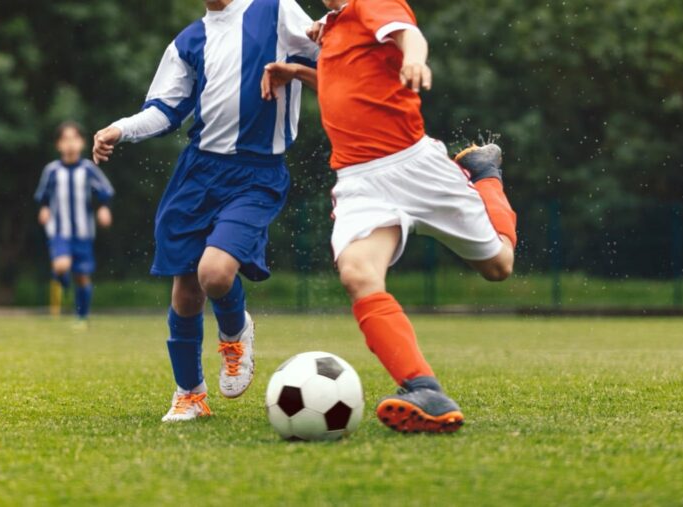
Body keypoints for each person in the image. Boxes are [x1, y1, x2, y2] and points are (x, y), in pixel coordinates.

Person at [262, 0, 518, 433]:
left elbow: (409, 36)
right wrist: (299, 74)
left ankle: (484, 174)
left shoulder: (370, 2)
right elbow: (346, 85)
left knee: (499, 266)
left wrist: (415, 60)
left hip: (415, 166)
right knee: (357, 274)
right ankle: (423, 388)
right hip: (360, 182)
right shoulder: (330, 28)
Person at [91, 0, 320, 422]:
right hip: (198, 174)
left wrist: (305, 62)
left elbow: (333, 64)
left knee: (214, 274)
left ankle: (235, 333)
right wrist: (118, 129)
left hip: (257, 174)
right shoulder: (188, 41)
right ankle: (190, 394)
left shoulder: (276, 10)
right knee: (186, 286)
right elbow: (164, 111)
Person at [34, 121, 115, 328]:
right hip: (59, 230)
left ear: (82, 143)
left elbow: (104, 192)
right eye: (65, 139)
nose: (70, 144)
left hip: (83, 231)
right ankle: (62, 279)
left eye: (74, 139)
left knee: (82, 276)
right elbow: (43, 197)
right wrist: (43, 209)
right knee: (62, 265)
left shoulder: (88, 169)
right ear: (58, 145)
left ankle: (82, 317)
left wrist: (103, 208)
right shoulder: (51, 171)